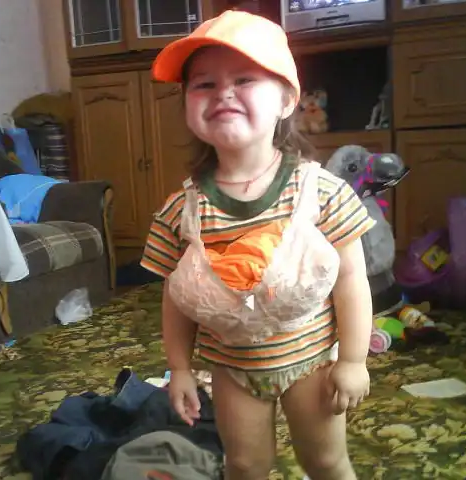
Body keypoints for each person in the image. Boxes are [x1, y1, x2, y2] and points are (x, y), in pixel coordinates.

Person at [140, 10, 375, 480]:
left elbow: (352, 278)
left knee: (325, 461)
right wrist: (179, 368)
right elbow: (174, 295)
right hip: (232, 369)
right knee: (246, 465)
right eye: (204, 84)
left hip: (311, 360)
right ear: (187, 104)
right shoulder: (181, 210)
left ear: (287, 100)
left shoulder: (321, 192)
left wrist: (353, 360)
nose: (223, 92)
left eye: (244, 79)